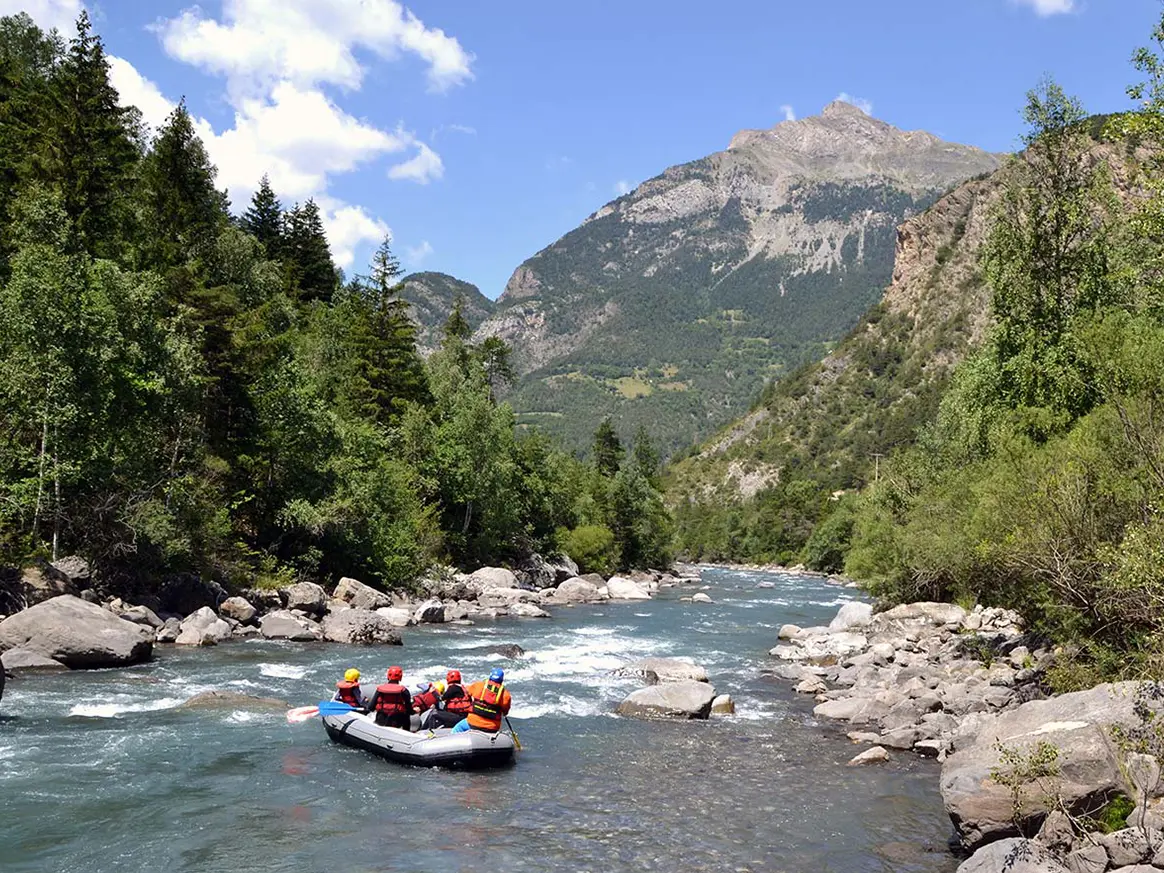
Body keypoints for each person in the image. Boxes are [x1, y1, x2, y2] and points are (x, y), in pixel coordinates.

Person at [452, 667, 512, 734]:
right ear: (501, 680)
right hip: (492, 727)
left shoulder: (478, 685)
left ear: (490, 676)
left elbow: (466, 691)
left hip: (473, 723)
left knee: (457, 728)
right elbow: (505, 712)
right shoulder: (505, 694)